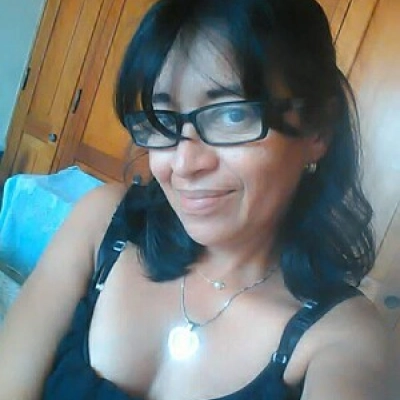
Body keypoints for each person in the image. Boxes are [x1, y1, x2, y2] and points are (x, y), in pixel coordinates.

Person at [0, 0, 396, 399]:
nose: (184, 164)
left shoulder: (343, 339)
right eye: (162, 120)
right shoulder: (102, 221)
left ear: (318, 129)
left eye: (232, 115)